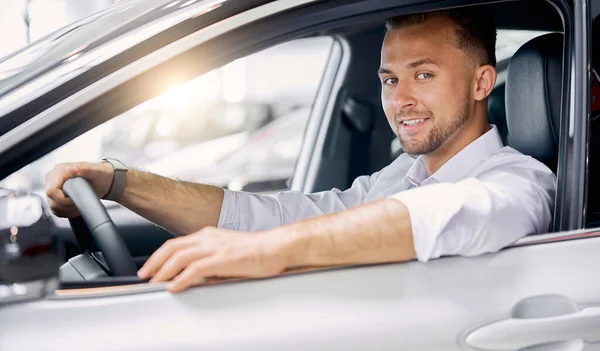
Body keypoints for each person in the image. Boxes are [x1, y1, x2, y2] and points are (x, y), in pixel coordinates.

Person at [45, 8, 556, 293]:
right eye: (389, 79)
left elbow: (441, 215)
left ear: (481, 83)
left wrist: (267, 251)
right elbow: (267, 215)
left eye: (423, 75)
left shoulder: (521, 181)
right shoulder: (399, 177)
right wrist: (118, 181)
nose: (400, 100)